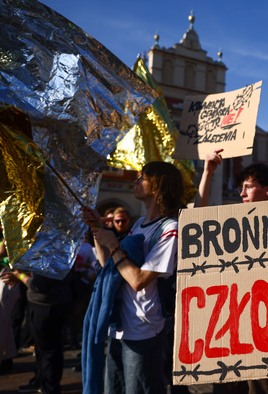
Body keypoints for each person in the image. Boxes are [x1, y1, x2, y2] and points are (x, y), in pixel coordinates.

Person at [82, 161, 183, 394]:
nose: (135, 181)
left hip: (143, 328)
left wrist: (114, 245)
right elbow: (109, 264)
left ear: (157, 187)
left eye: (142, 177)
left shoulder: (170, 228)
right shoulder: (139, 224)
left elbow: (138, 280)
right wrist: (98, 230)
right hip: (120, 324)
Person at [197, 153, 268, 394]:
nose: (241, 194)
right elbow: (196, 219)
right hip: (231, 324)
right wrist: (207, 173)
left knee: (261, 387)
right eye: (240, 188)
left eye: (248, 187)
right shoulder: (232, 221)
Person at [0, 269, 74, 394]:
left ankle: (50, 388)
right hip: (49, 303)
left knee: (50, 350)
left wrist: (20, 276)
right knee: (42, 348)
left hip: (47, 305)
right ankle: (41, 381)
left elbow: (36, 285)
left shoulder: (51, 253)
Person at [0, 237, 20, 375]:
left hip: (9, 279)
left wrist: (7, 235)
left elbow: (0, 254)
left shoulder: (16, 236)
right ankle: (7, 358)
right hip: (1, 277)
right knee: (4, 322)